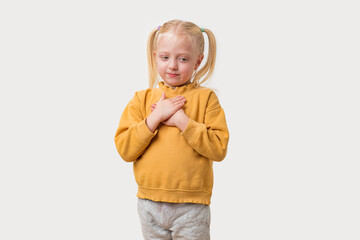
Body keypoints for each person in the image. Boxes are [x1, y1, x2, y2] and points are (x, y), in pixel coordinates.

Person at [114, 19, 229, 240]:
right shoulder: (142, 99)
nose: (173, 65)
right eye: (165, 57)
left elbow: (219, 149)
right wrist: (154, 118)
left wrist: (182, 121)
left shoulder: (206, 99)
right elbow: (125, 150)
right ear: (155, 56)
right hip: (148, 203)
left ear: (198, 61)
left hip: (191, 206)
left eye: (183, 59)